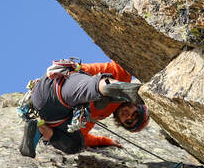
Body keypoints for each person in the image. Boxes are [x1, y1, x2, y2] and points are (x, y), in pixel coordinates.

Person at [19, 60, 150, 158]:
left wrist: (104, 141)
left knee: (76, 144)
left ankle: (39, 127)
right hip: (59, 86)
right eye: (135, 114)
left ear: (121, 123)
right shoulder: (123, 74)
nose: (129, 115)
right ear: (136, 104)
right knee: (90, 87)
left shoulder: (98, 116)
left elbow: (85, 138)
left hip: (50, 112)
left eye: (128, 121)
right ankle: (107, 87)